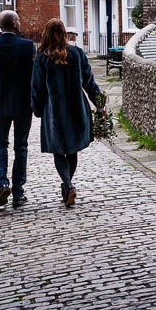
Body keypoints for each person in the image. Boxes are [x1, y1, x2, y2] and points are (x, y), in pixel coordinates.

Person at [30, 17, 105, 209]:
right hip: (76, 108)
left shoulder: (42, 59)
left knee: (58, 150)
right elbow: (89, 81)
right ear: (64, 33)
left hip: (53, 112)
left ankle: (68, 184)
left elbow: (36, 88)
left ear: (46, 34)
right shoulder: (77, 53)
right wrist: (99, 104)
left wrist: (37, 109)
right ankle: (68, 186)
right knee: (72, 150)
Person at [0, 9, 36, 207]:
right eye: (19, 20)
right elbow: (34, 79)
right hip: (23, 104)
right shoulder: (27, 47)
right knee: (21, 147)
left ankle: (2, 182)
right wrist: (38, 102)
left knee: (0, 144)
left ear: (1, 26)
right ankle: (18, 192)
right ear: (15, 23)